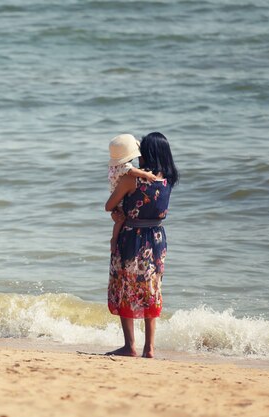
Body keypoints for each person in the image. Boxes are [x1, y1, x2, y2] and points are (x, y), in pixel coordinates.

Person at [104, 132, 179, 358]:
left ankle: (130, 346)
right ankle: (150, 347)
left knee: (125, 286)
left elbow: (110, 205)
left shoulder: (131, 179)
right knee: (151, 290)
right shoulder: (167, 180)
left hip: (131, 238)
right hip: (157, 239)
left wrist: (116, 215)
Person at [107, 134, 158, 252]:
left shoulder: (115, 166)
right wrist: (146, 174)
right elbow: (132, 171)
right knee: (120, 219)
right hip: (119, 198)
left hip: (116, 193)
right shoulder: (124, 166)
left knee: (119, 218)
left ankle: (114, 238)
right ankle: (114, 239)